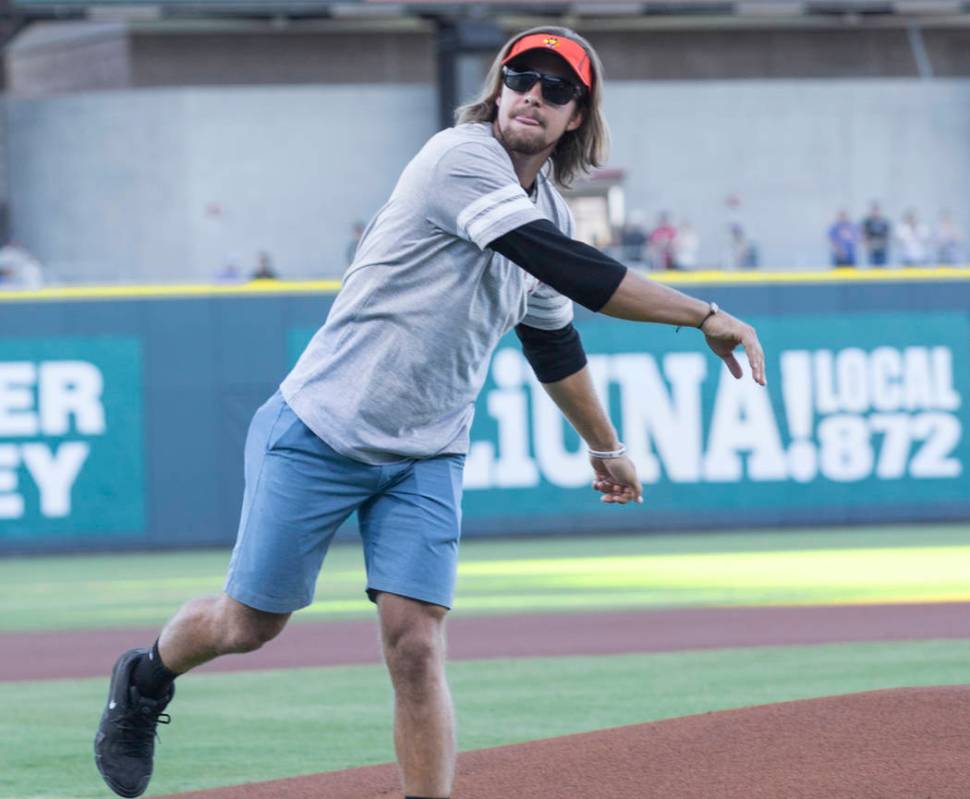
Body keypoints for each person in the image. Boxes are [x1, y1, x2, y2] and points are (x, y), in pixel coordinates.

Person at [93, 27, 766, 799]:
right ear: (499, 85)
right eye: (521, 78)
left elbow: (553, 341)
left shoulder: (547, 207)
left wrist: (605, 444)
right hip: (320, 430)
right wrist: (702, 313)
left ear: (578, 115)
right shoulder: (459, 158)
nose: (533, 97)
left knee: (416, 645)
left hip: (428, 453)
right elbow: (569, 270)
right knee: (249, 625)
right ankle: (144, 676)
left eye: (557, 89)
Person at [861, 201, 891, 267]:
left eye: (877, 211)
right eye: (874, 211)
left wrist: (885, 243)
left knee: (882, 267)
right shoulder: (868, 222)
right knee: (872, 266)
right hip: (872, 248)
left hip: (881, 247)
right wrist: (867, 244)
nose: (876, 212)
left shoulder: (884, 222)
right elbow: (864, 233)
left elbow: (887, 234)